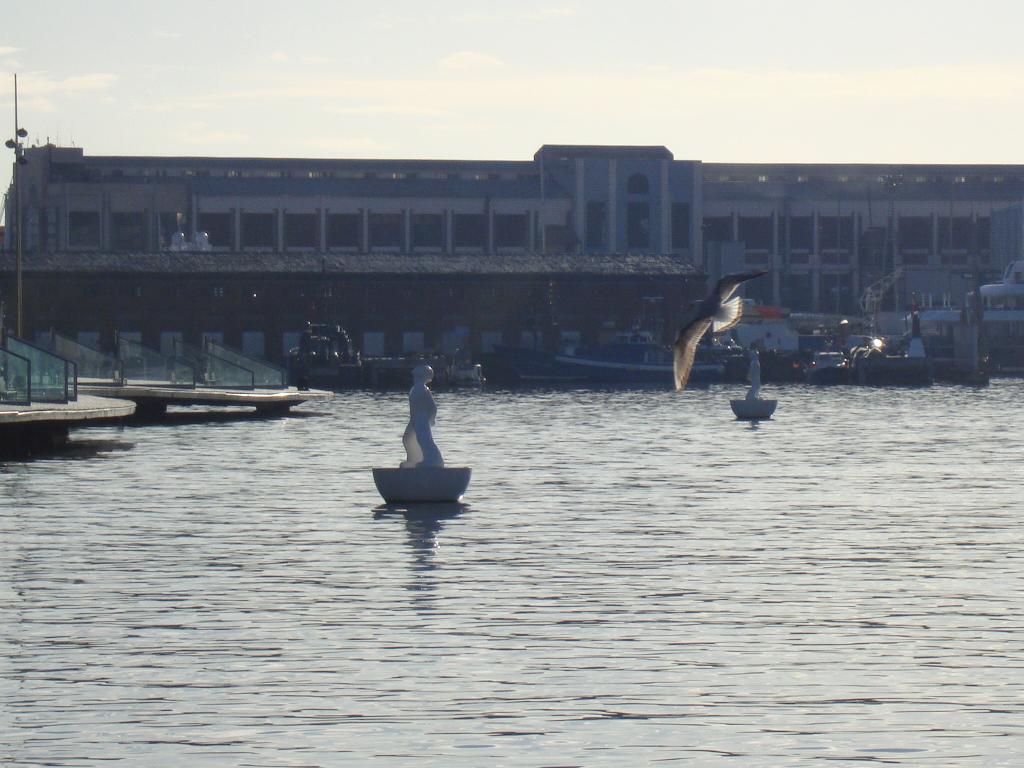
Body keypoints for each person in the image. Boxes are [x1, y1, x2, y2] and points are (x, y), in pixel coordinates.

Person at [401, 365, 444, 468]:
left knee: (424, 439)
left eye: (416, 376)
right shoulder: (416, 388)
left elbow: (433, 407)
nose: (414, 378)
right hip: (415, 418)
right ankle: (414, 459)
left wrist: (431, 419)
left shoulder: (422, 389)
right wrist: (412, 420)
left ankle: (434, 460)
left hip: (421, 418)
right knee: (407, 438)